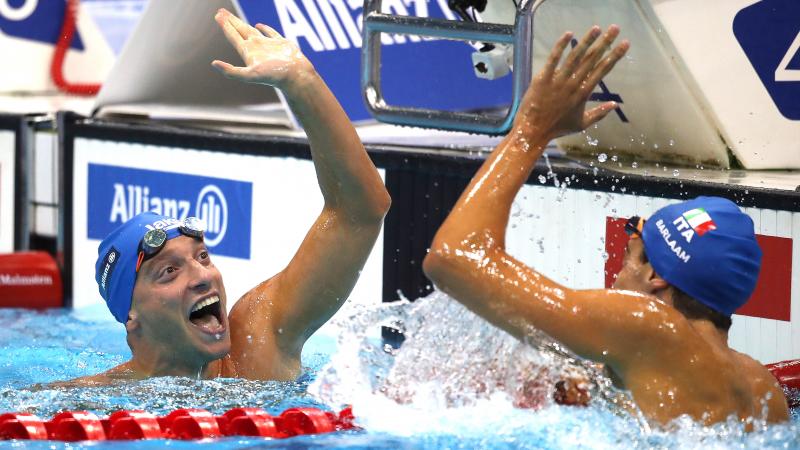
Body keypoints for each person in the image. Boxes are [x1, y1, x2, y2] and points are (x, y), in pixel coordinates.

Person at [422, 25, 789, 425]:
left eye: (629, 255)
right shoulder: (763, 389)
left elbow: (454, 258)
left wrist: (531, 130)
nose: (615, 273)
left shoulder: (649, 326)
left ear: (655, 276)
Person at [77, 8, 390, 383]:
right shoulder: (89, 403)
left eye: (203, 257)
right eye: (169, 272)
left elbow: (361, 211)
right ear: (132, 317)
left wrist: (302, 83)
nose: (202, 277)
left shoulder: (257, 345)